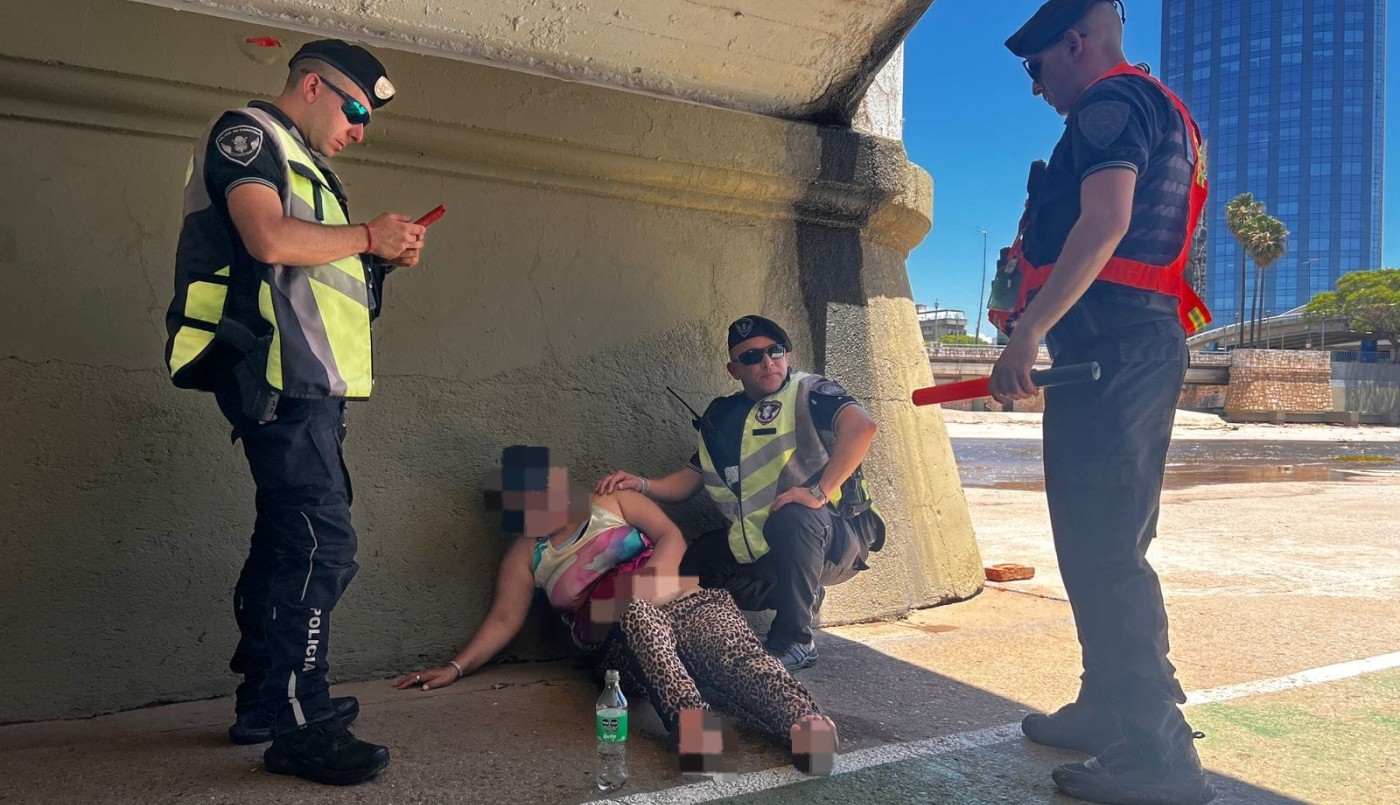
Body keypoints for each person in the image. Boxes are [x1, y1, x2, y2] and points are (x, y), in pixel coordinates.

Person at [163, 39, 430, 785]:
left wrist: (377, 258)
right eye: (353, 110)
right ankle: (296, 717)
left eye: (367, 119)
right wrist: (366, 236)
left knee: (290, 539)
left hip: (310, 384)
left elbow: (308, 279)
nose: (360, 129)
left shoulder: (312, 168)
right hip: (274, 376)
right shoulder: (247, 136)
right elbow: (268, 238)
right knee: (323, 545)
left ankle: (265, 699)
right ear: (311, 86)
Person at [991, 2, 1214, 803]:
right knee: (1096, 539)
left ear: (1074, 45)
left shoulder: (1110, 105)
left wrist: (1028, 335)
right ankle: (1103, 704)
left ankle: (1162, 755)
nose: (1038, 86)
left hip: (1113, 349)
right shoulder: (1161, 108)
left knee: (1109, 551)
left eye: (1037, 68)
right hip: (1127, 347)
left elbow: (1107, 218)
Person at [394, 446, 838, 775]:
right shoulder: (526, 556)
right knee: (633, 609)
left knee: (732, 653)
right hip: (616, 645)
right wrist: (456, 666)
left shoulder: (612, 502)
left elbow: (672, 538)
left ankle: (805, 724)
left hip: (680, 600)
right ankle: (695, 729)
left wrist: (651, 584)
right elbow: (504, 619)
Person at [596, 316, 884, 672]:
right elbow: (689, 480)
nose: (766, 361)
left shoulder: (810, 390)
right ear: (734, 369)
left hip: (834, 538)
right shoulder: (722, 417)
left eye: (775, 351)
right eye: (751, 357)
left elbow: (862, 427)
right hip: (764, 545)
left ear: (787, 355)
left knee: (795, 515)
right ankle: (777, 606)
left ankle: (796, 639)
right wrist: (640, 484)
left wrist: (819, 492)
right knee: (692, 566)